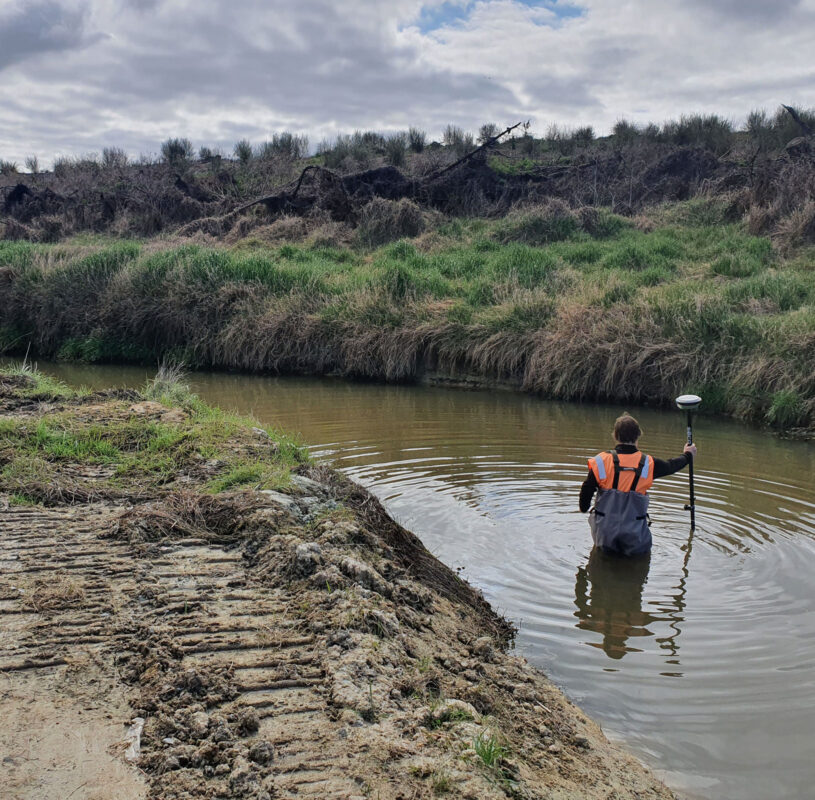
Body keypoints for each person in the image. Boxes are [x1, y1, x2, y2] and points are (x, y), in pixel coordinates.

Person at [579, 414, 696, 556]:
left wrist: (584, 508)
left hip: (604, 533)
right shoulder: (648, 464)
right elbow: (671, 466)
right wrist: (687, 455)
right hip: (634, 535)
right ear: (638, 436)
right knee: (637, 564)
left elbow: (586, 490)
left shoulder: (600, 462)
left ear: (615, 436)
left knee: (603, 560)